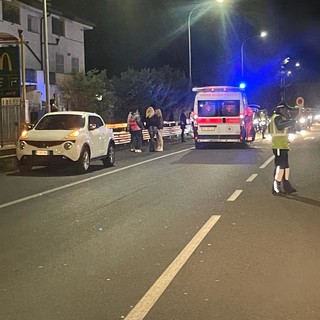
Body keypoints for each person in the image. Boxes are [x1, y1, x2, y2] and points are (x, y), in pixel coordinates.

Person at [269, 102, 299, 195]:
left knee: (285, 167)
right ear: (280, 109)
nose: (286, 111)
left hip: (283, 146)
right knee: (279, 167)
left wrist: (296, 112)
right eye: (285, 109)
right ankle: (275, 188)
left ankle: (287, 186)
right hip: (278, 146)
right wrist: (291, 122)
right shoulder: (277, 117)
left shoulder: (282, 118)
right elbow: (280, 126)